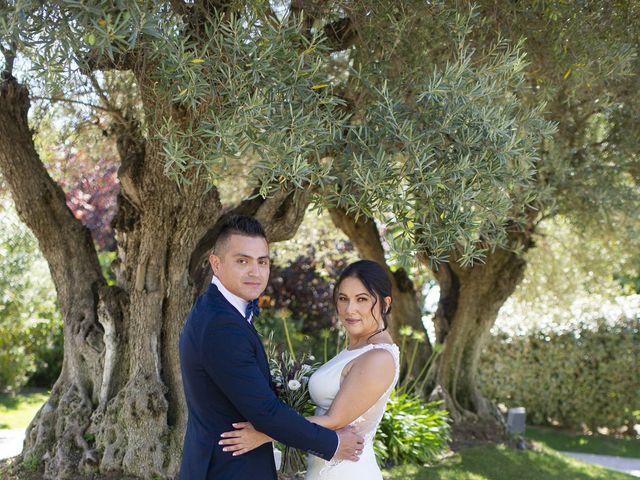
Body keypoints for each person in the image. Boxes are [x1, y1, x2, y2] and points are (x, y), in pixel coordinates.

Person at [179, 215, 364, 480]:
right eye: (242, 261)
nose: (255, 272)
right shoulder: (222, 324)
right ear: (215, 263)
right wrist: (333, 443)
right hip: (228, 470)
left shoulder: (215, 309)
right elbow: (265, 412)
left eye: (262, 262)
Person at [219, 259, 400, 480]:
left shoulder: (378, 358)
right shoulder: (358, 348)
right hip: (325, 464)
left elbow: (335, 420)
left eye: (362, 299)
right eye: (343, 299)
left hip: (347, 470)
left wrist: (264, 433)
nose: (350, 309)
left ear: (386, 303)